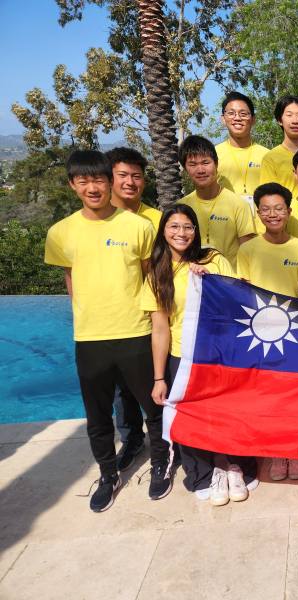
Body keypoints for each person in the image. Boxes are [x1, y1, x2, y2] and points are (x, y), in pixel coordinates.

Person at [44, 150, 171, 512]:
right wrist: (84, 315)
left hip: (135, 331)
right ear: (73, 185)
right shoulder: (61, 232)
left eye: (98, 179)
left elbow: (152, 276)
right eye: (83, 181)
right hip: (90, 337)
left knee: (153, 406)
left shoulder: (139, 226)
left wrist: (154, 324)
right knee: (98, 415)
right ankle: (108, 472)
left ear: (108, 181)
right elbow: (71, 278)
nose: (92, 187)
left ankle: (160, 461)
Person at [142, 205, 258, 505]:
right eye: (174, 226)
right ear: (164, 231)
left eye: (188, 227)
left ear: (196, 230)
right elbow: (160, 329)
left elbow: (237, 300)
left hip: (221, 353)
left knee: (230, 413)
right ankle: (206, 472)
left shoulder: (213, 258)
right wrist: (158, 377)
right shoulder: (158, 273)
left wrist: (209, 280)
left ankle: (236, 465)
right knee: (193, 418)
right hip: (184, 357)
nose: (181, 233)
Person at [237, 182, 298, 482]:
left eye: (278, 208)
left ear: (289, 211)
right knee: (268, 398)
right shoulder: (247, 250)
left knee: (294, 397)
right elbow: (240, 294)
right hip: (259, 338)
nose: (272, 214)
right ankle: (276, 453)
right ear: (258, 214)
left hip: (294, 336)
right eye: (266, 209)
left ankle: (295, 452)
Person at [106, 146, 161, 470]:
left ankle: (163, 445)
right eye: (123, 175)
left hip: (148, 319)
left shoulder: (155, 219)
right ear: (110, 179)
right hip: (110, 320)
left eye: (136, 176)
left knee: (152, 386)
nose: (130, 182)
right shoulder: (98, 219)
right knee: (120, 392)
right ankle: (131, 440)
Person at [177, 135, 256, 267]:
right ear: (185, 169)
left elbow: (248, 255)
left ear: (216, 164)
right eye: (193, 164)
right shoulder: (182, 207)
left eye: (205, 163)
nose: (200, 170)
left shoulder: (239, 205)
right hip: (193, 281)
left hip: (229, 282)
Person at [215, 91, 269, 223]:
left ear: (253, 119)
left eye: (243, 114)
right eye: (231, 113)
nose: (237, 118)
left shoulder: (268, 156)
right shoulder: (213, 155)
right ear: (223, 119)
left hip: (261, 231)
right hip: (226, 227)